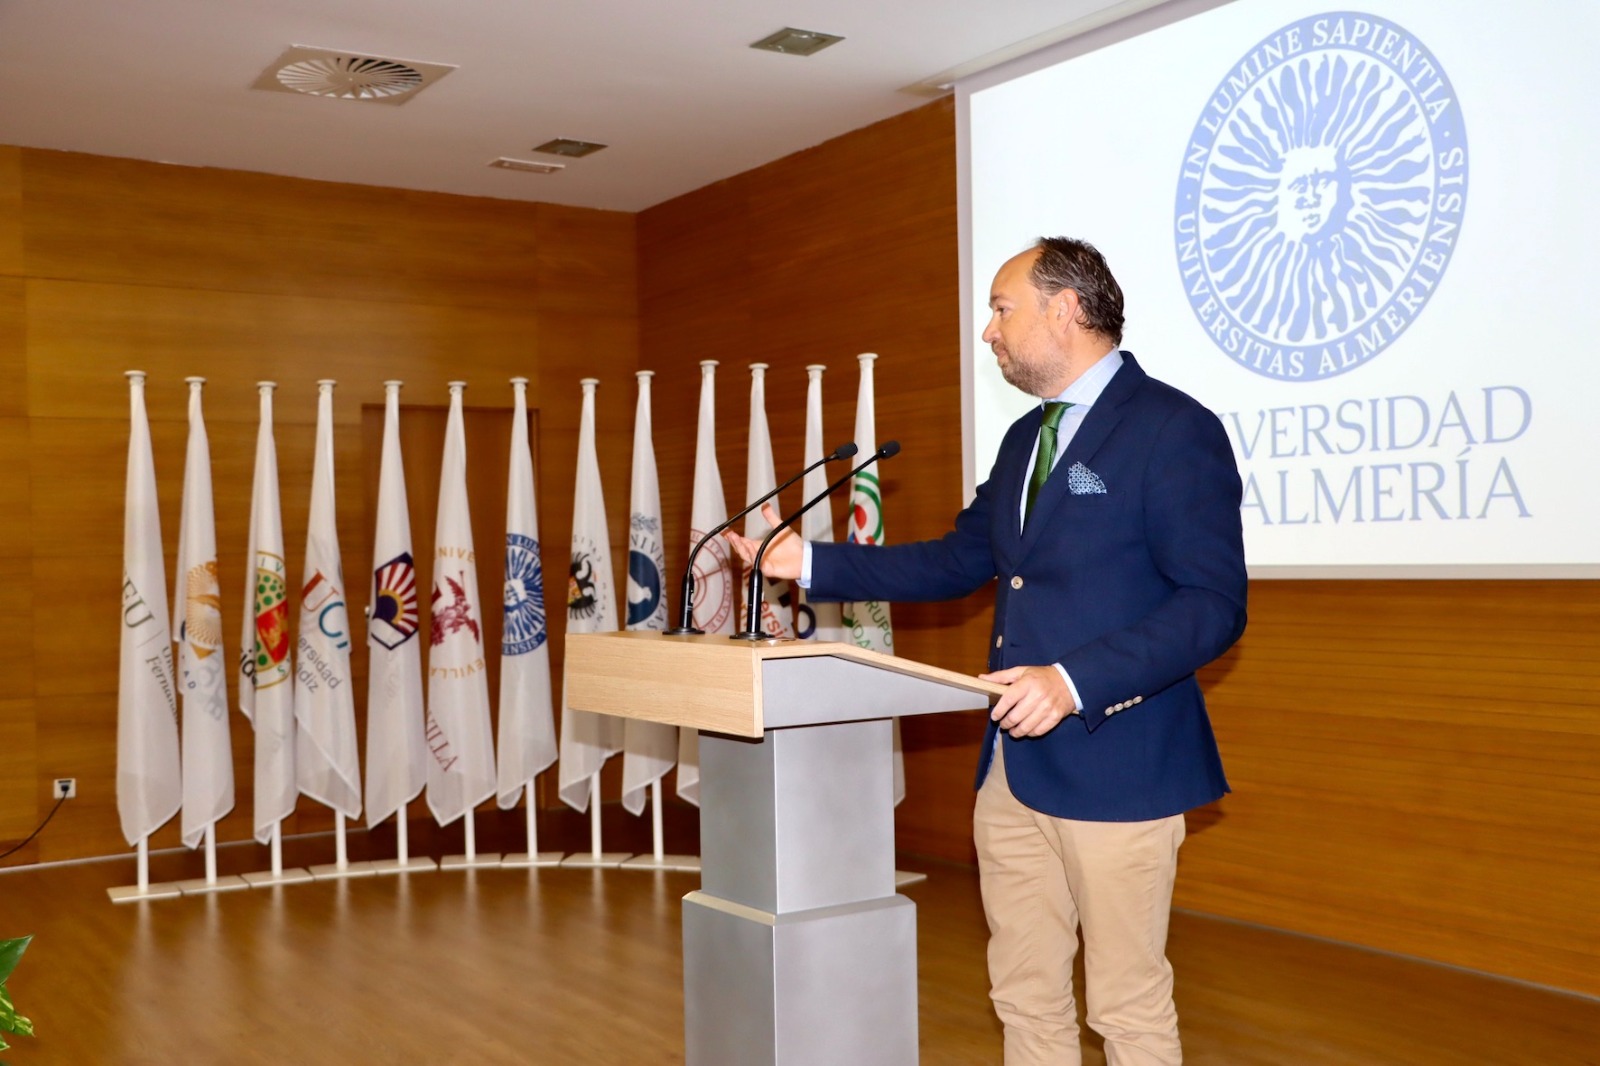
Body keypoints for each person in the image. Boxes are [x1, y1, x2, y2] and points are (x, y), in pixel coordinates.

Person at [723, 237, 1247, 1066]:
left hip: (1122, 766)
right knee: (1023, 993)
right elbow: (958, 560)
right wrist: (809, 562)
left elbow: (1212, 606)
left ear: (1064, 309)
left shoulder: (1173, 430)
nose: (989, 331)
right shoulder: (1024, 441)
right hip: (1013, 769)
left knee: (1125, 1006)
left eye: (1003, 309)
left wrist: (1074, 681)